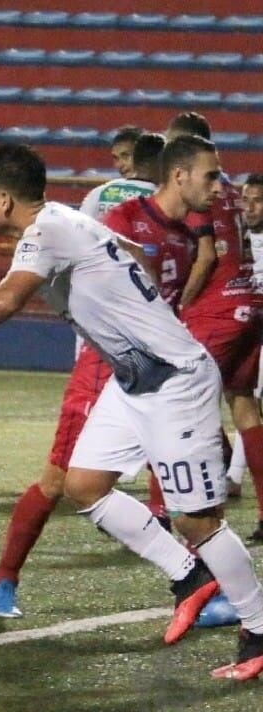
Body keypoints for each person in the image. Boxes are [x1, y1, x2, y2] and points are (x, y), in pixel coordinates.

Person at [0, 143, 263, 680]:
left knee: (196, 520)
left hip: (175, 380)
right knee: (83, 485)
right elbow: (136, 252)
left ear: (7, 199)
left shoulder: (49, 231)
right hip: (134, 380)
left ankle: (259, 627)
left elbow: (6, 300)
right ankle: (191, 578)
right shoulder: (64, 219)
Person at [0, 133, 163, 619]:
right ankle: (5, 578)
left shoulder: (88, 205)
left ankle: (201, 583)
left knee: (181, 469)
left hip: (146, 357)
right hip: (108, 362)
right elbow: (134, 253)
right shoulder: (83, 214)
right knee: (62, 479)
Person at [164, 114, 263, 543]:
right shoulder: (226, 189)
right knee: (245, 410)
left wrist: (176, 303)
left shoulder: (197, 194)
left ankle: (200, 520)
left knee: (176, 405)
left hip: (216, 310)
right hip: (248, 301)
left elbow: (204, 256)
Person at [225, 172, 263, 520]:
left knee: (246, 402)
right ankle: (231, 475)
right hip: (246, 329)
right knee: (242, 401)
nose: (248, 207)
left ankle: (233, 476)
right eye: (245, 199)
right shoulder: (236, 237)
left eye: (257, 200)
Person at [80, 129, 161, 220]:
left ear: (142, 156)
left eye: (125, 156)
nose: (119, 165)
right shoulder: (99, 193)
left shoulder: (160, 193)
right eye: (116, 158)